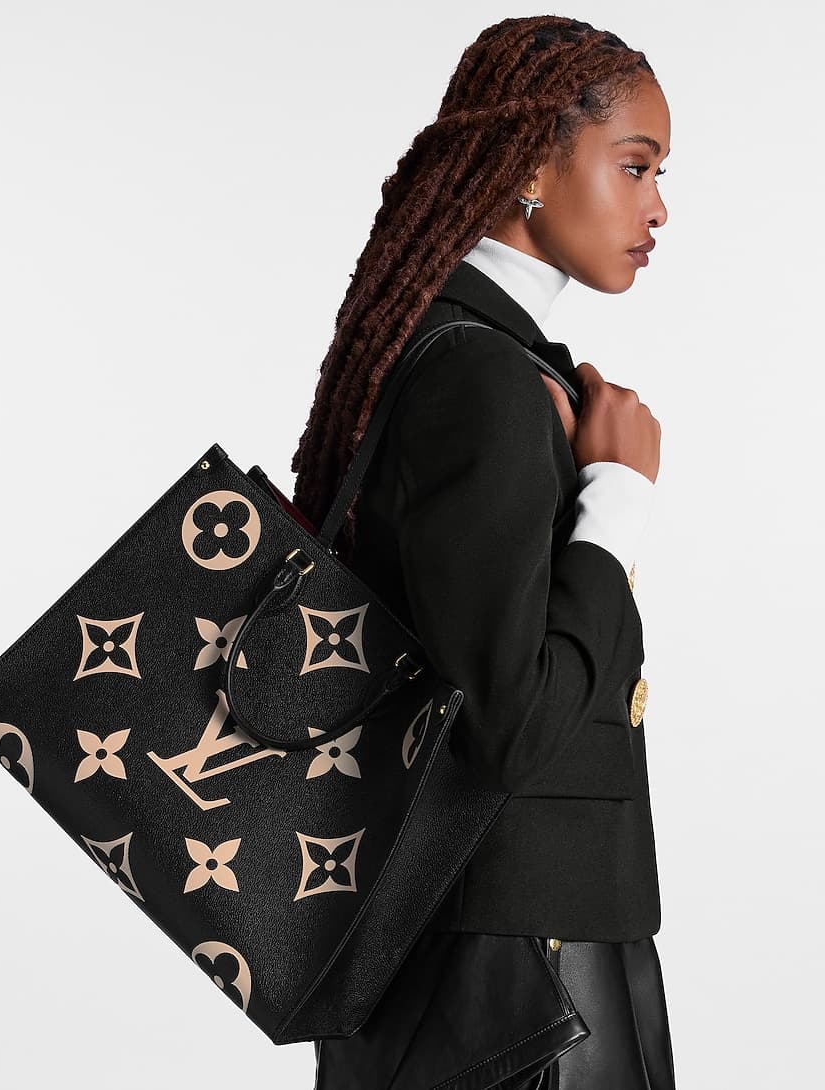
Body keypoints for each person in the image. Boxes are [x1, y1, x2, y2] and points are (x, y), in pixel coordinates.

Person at [290, 15, 675, 1089]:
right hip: (518, 974)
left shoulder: (484, 357)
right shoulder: (483, 380)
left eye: (660, 174)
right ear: (532, 167)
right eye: (634, 165)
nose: (658, 208)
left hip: (502, 947)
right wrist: (618, 493)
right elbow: (511, 727)